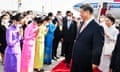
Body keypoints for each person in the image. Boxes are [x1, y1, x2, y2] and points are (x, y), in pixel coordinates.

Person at [71, 4, 104, 72]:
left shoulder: (97, 27)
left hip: (86, 61)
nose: (80, 14)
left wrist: (95, 62)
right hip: (76, 59)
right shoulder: (82, 23)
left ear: (88, 12)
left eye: (81, 12)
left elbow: (98, 47)